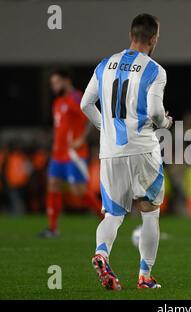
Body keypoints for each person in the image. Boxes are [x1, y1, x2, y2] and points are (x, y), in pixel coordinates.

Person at [80, 13, 173, 290]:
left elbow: (86, 104)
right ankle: (145, 277)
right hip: (143, 148)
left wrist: (105, 128)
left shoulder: (104, 64)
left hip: (110, 152)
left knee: (113, 214)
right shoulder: (155, 70)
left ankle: (102, 253)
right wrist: (165, 122)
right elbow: (156, 112)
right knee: (150, 212)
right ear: (153, 38)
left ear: (131, 35)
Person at [39, 69, 103, 238]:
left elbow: (92, 118)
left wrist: (81, 140)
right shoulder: (58, 102)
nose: (54, 86)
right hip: (58, 154)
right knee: (53, 185)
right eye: (52, 83)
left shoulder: (76, 98)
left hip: (74, 154)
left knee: (79, 191)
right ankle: (52, 229)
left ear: (66, 81)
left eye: (56, 82)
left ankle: (106, 221)